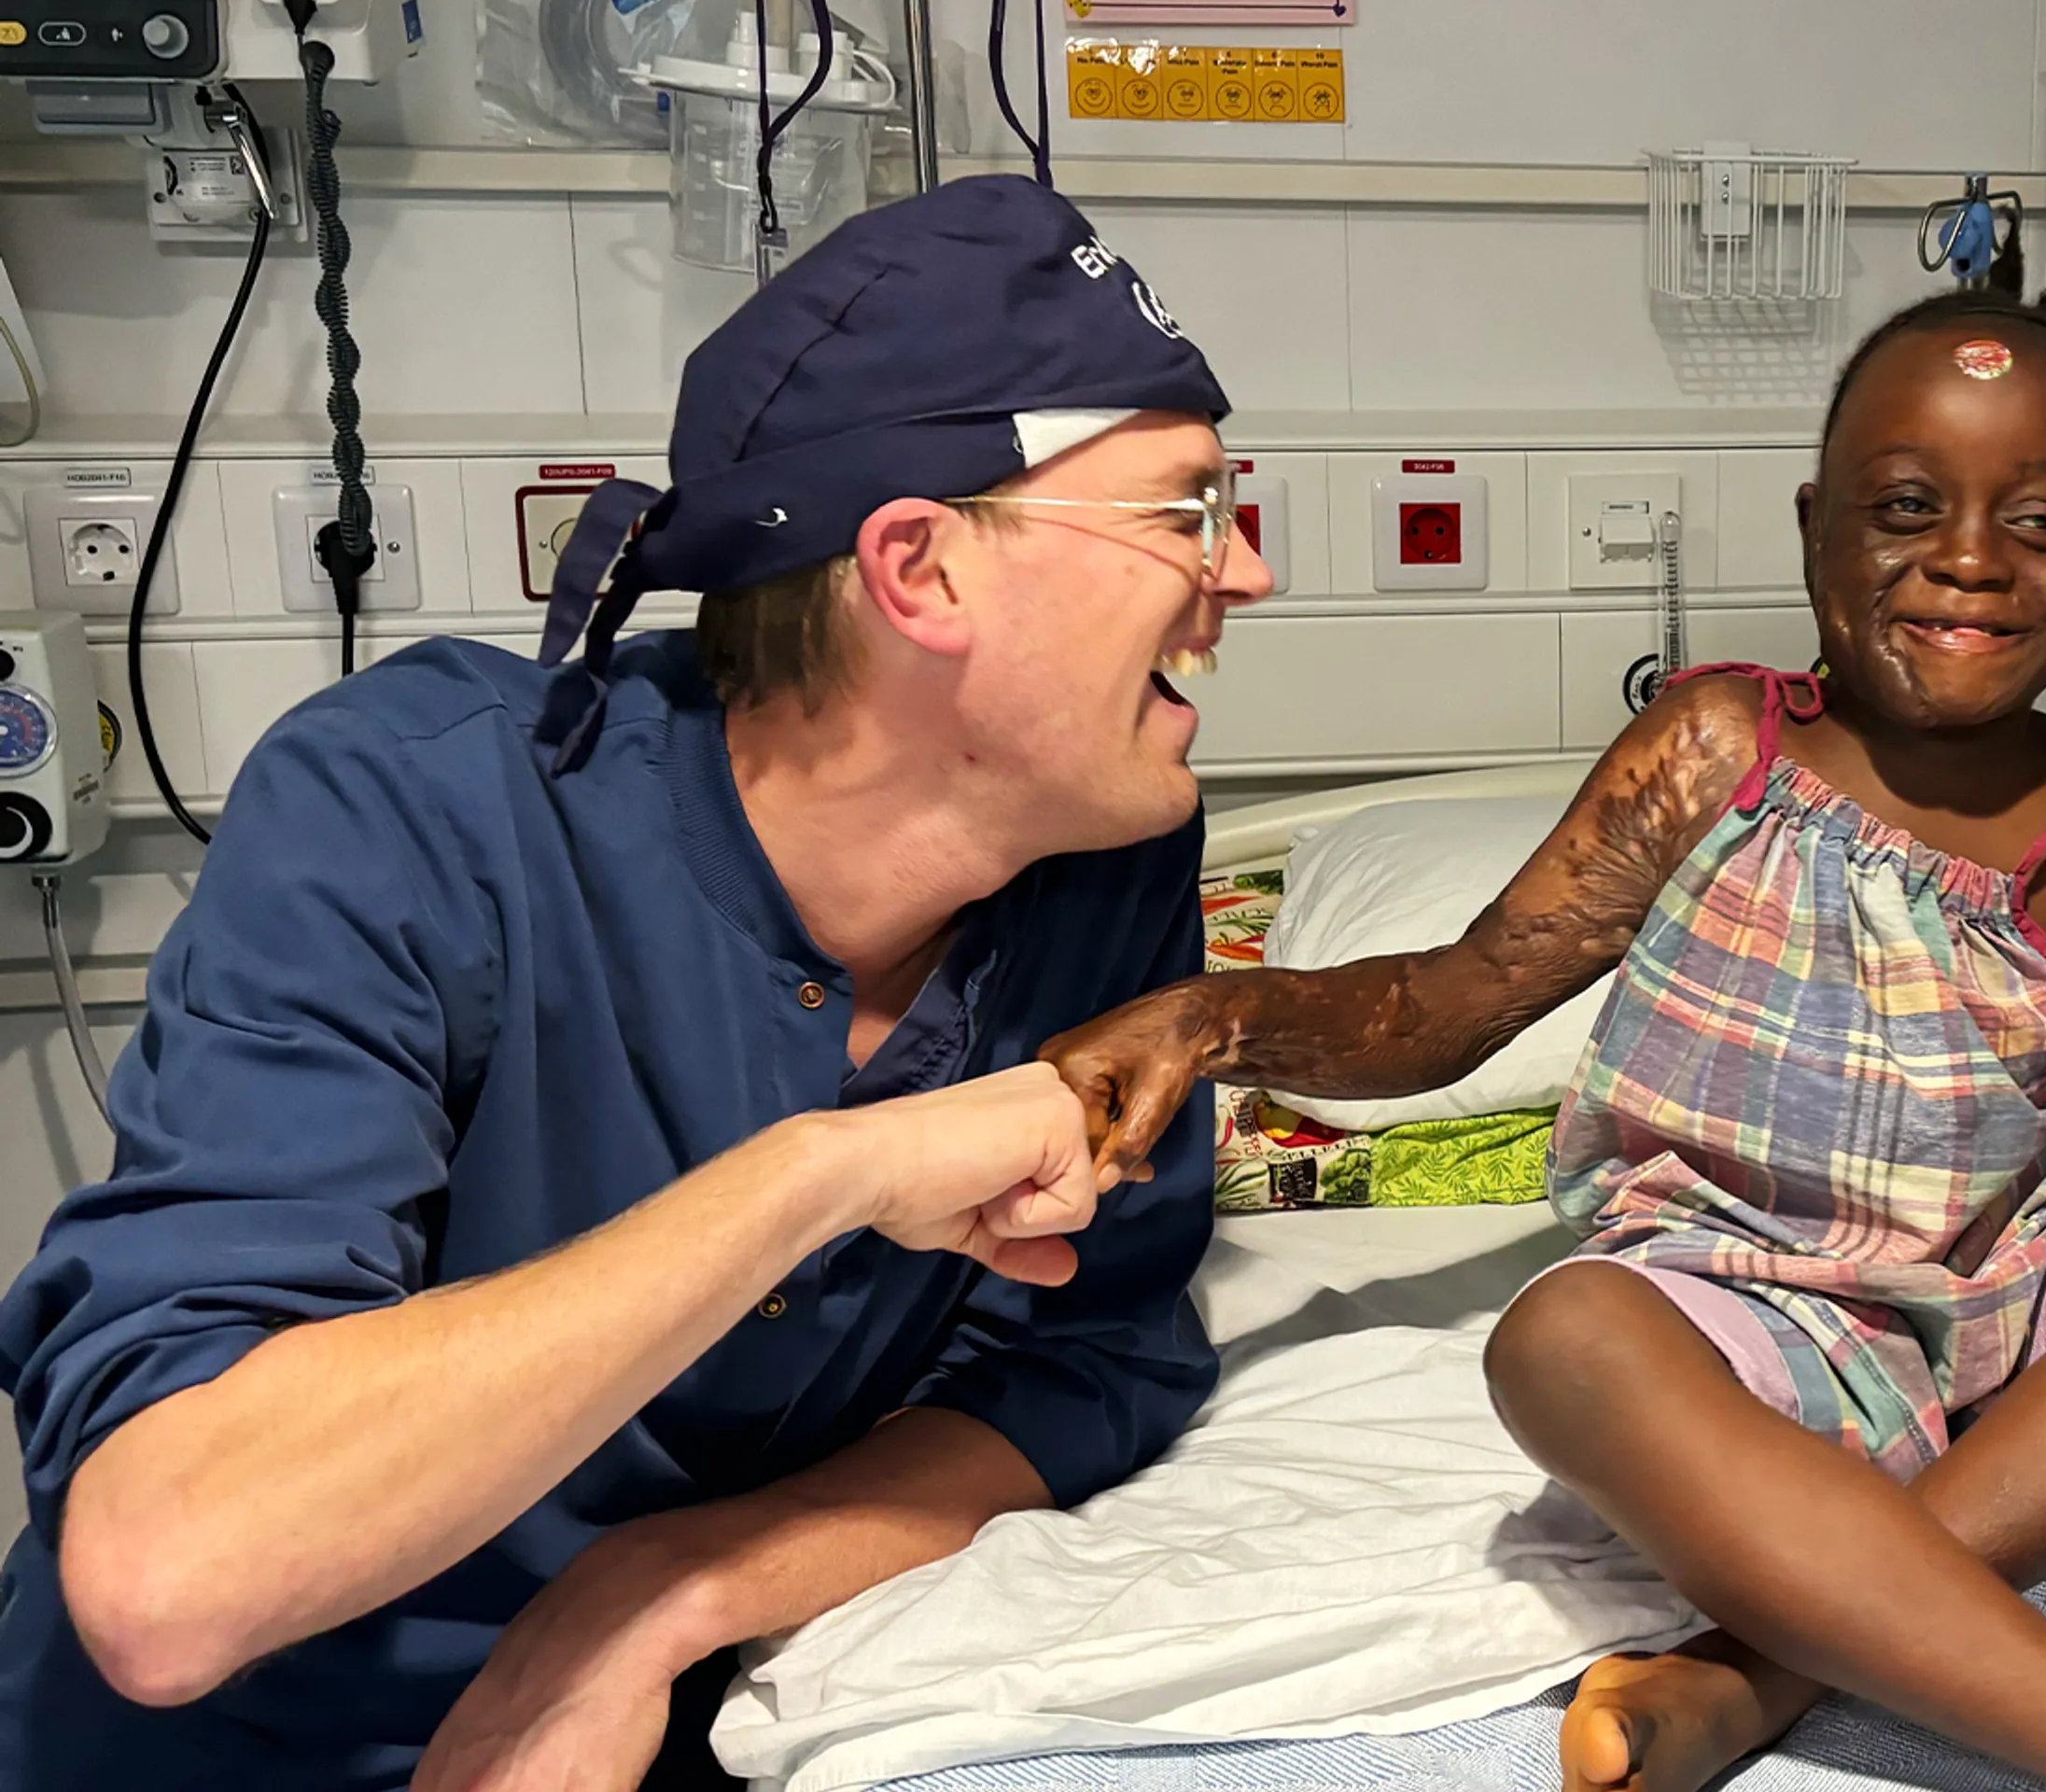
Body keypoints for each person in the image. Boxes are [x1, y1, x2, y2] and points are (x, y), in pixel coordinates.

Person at [0, 175, 1276, 1791]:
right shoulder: (414, 811)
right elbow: (168, 1582)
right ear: (919, 569)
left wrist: (657, 1597)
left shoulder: (1105, 863)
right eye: (1186, 514)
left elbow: (1082, 1364)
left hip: (680, 1731)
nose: (1243, 578)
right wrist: (828, 1173)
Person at [1051, 279, 2046, 1792]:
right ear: (1815, 529)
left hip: (2025, 1328)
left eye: (2042, 524)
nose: (1967, 560)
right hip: (1747, 1321)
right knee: (1563, 1339)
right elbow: (1446, 1008)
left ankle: (1753, 1681)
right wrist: (1212, 1013)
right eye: (1903, 507)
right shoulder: (1712, 751)